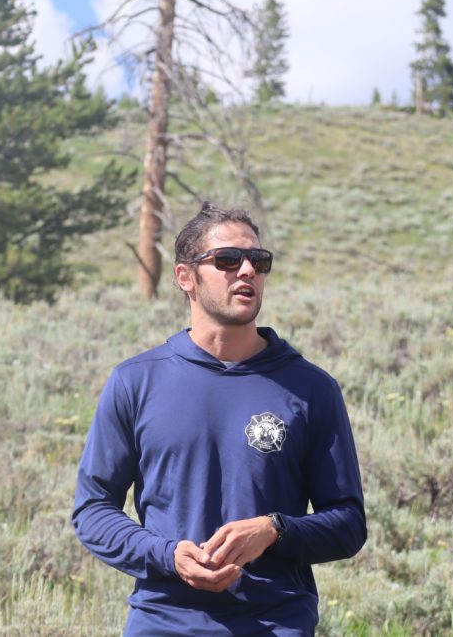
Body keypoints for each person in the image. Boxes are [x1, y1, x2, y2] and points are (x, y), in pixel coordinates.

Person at [73, 203, 367, 635]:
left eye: (258, 261)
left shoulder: (311, 389)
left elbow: (347, 524)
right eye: (228, 260)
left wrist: (273, 530)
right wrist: (167, 555)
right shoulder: (136, 382)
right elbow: (94, 510)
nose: (247, 270)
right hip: (163, 622)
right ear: (185, 278)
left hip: (275, 623)